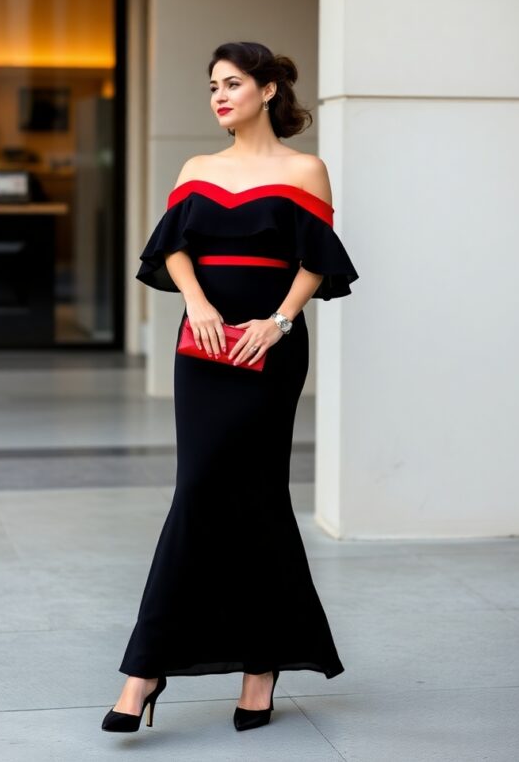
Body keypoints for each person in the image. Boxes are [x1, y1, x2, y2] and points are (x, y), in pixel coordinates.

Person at [102, 41, 358, 734]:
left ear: (269, 90)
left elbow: (316, 258)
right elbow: (172, 246)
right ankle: (168, 665)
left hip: (267, 351)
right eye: (212, 85)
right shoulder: (198, 168)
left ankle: (175, 669)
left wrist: (277, 322)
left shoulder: (305, 168)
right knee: (205, 490)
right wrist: (199, 303)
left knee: (254, 494)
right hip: (206, 347)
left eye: (233, 83)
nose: (218, 95)